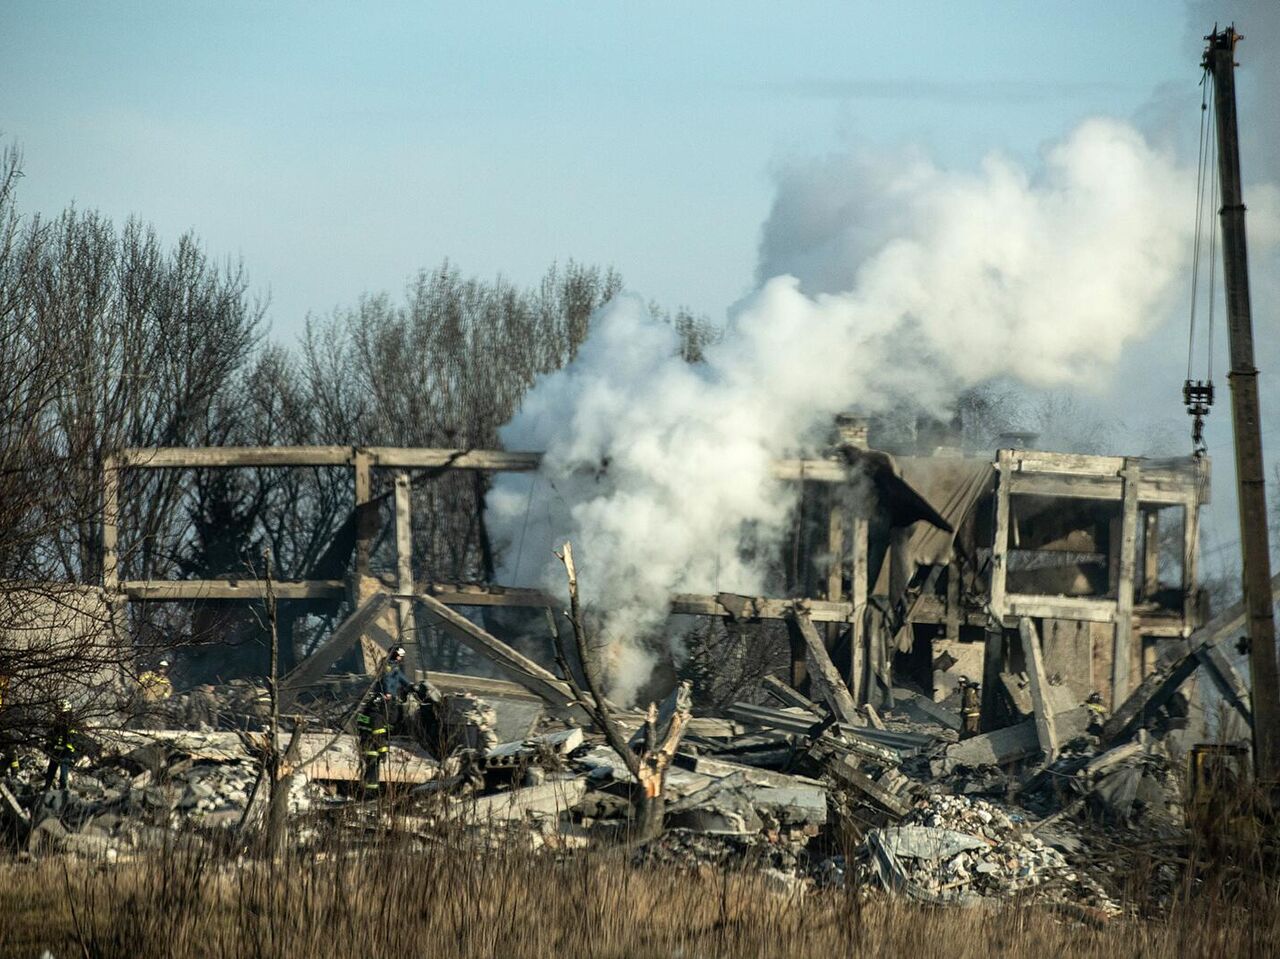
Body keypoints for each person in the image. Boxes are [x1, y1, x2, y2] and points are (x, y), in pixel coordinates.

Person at [355, 646, 413, 798]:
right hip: (370, 744)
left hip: (369, 741)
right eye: (399, 656)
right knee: (372, 765)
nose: (400, 658)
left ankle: (369, 791)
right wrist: (383, 750)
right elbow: (377, 731)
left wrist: (411, 686)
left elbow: (400, 678)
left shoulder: (373, 711)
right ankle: (369, 793)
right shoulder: (377, 713)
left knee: (372, 766)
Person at [44, 701, 79, 791]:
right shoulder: (58, 720)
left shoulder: (71, 722)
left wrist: (67, 747)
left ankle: (62, 790)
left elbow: (73, 737)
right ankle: (48, 788)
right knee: (52, 770)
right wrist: (49, 745)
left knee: (62, 772)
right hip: (57, 750)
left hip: (65, 751)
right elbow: (52, 734)